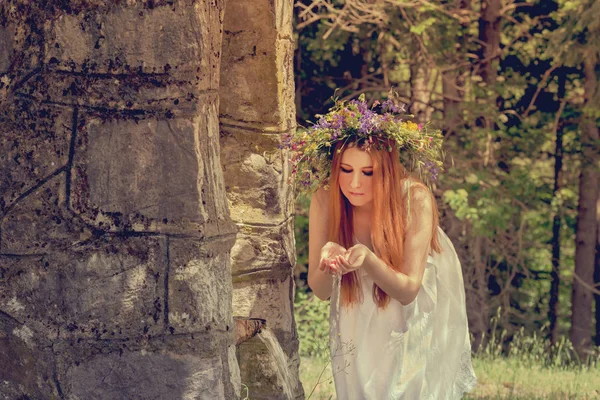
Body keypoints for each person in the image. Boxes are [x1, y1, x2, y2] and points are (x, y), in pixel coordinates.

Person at [285, 94, 477, 399]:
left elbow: (408, 291)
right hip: (353, 318)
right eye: (346, 171)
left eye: (368, 172)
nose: (355, 184)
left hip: (407, 318)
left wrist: (368, 260)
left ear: (386, 170)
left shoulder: (414, 199)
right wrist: (327, 263)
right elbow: (320, 291)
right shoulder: (325, 199)